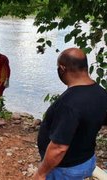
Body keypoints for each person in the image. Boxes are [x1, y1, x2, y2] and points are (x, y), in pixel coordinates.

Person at [33, 48, 107, 180]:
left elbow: (59, 147)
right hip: (87, 161)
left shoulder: (69, 103)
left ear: (62, 68)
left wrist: (41, 173)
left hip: (66, 169)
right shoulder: (100, 93)